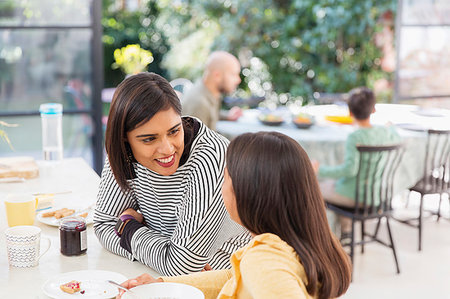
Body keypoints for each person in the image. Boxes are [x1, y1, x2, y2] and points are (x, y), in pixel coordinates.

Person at [118, 132, 352, 299]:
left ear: (245, 194)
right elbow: (234, 277)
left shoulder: (264, 261)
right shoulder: (283, 245)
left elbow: (260, 273)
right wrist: (162, 284)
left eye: (226, 176)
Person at [94, 72, 251, 276]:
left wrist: (127, 227)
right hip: (160, 279)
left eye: (174, 131)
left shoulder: (212, 158)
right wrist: (170, 254)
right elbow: (103, 225)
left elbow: (182, 268)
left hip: (225, 284)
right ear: (125, 140)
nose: (167, 149)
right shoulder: (123, 155)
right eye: (149, 139)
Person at [312, 87, 400, 241]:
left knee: (314, 188)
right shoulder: (384, 133)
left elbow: (350, 170)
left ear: (350, 113)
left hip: (354, 198)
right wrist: (390, 126)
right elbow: (396, 135)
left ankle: (323, 239)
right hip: (377, 197)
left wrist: (319, 170)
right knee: (337, 184)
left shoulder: (355, 137)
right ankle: (346, 231)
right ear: (373, 110)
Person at [182, 51, 243, 131]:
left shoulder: (210, 93)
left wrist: (228, 116)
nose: (238, 80)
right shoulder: (200, 104)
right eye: (233, 74)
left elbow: (210, 115)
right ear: (217, 75)